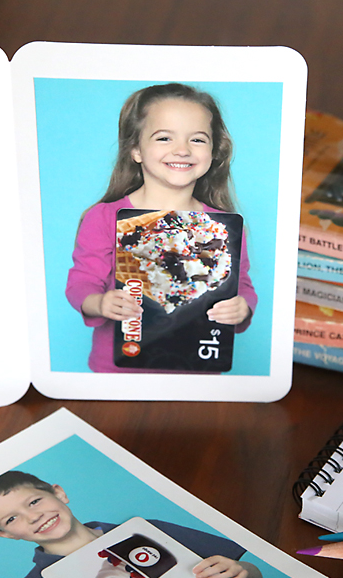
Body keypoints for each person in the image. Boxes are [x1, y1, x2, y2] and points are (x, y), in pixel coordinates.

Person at [65, 83, 257, 372]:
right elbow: (81, 283)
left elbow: (242, 285)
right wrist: (100, 303)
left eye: (198, 140)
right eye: (164, 138)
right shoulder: (103, 217)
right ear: (135, 149)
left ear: (214, 151)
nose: (182, 150)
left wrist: (242, 308)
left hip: (198, 375)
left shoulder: (223, 226)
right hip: (117, 374)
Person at [0, 471, 262, 578]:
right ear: (3, 534)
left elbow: (250, 571)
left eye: (34, 502)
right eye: (11, 519)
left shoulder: (146, 529)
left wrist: (242, 572)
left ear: (59, 493)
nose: (32, 517)